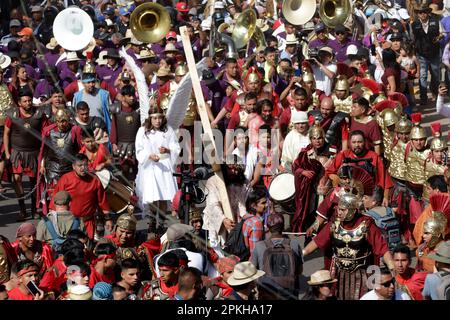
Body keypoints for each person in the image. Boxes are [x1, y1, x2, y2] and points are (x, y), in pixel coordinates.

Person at [302, 193, 395, 300]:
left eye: (343, 210)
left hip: (361, 275)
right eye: (338, 209)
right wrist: (301, 255)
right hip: (339, 273)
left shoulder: (367, 225)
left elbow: (382, 248)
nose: (339, 212)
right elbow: (317, 242)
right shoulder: (334, 225)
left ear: (353, 210)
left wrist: (392, 266)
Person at [3, 89, 49, 220]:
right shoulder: (13, 114)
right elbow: (6, 134)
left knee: (34, 182)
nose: (28, 103)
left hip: (34, 153)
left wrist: (44, 157)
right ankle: (22, 209)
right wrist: (7, 153)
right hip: (17, 152)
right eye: (25, 101)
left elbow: (46, 133)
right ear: (19, 102)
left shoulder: (39, 114)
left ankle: (34, 209)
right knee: (16, 179)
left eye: (29, 100)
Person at [135, 104, 180, 232]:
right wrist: (149, 156)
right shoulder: (143, 131)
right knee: (154, 195)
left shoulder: (168, 130)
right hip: (150, 167)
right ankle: (152, 220)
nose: (157, 121)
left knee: (164, 194)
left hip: (164, 166)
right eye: (154, 118)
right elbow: (139, 149)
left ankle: (161, 220)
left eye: (159, 118)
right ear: (150, 118)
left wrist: (167, 150)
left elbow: (176, 147)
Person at [50, 154, 112, 240]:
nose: (83, 168)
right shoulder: (66, 179)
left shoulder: (94, 179)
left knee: (88, 249)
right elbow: (55, 200)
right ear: (74, 166)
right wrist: (53, 220)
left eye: (85, 165)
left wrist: (108, 219)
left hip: (88, 223)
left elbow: (102, 201)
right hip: (69, 223)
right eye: (80, 165)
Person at [36, 108, 83, 214]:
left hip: (70, 168)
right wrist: (42, 165)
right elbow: (43, 151)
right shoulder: (48, 131)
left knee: (70, 195)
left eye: (64, 121)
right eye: (58, 121)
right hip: (53, 168)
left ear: (68, 120)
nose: (61, 124)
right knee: (54, 195)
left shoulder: (74, 130)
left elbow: (81, 150)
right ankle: (53, 215)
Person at [251, 213, 303, 299]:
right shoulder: (294, 244)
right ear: (283, 227)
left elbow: (253, 271)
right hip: (290, 292)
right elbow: (299, 271)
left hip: (267, 293)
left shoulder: (259, 246)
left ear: (268, 228)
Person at [412, 3, 444, 105]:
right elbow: (411, 38)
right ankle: (423, 98)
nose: (422, 14)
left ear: (428, 13)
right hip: (421, 54)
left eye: (424, 12)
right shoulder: (414, 24)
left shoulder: (436, 22)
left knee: (435, 75)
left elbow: (443, 33)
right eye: (420, 13)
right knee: (423, 76)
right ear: (418, 14)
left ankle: (435, 93)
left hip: (434, 53)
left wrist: (438, 38)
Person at [242, 188, 267, 256]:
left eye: (266, 202)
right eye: (263, 203)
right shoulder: (257, 223)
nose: (266, 205)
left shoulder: (246, 218)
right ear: (253, 206)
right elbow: (255, 252)